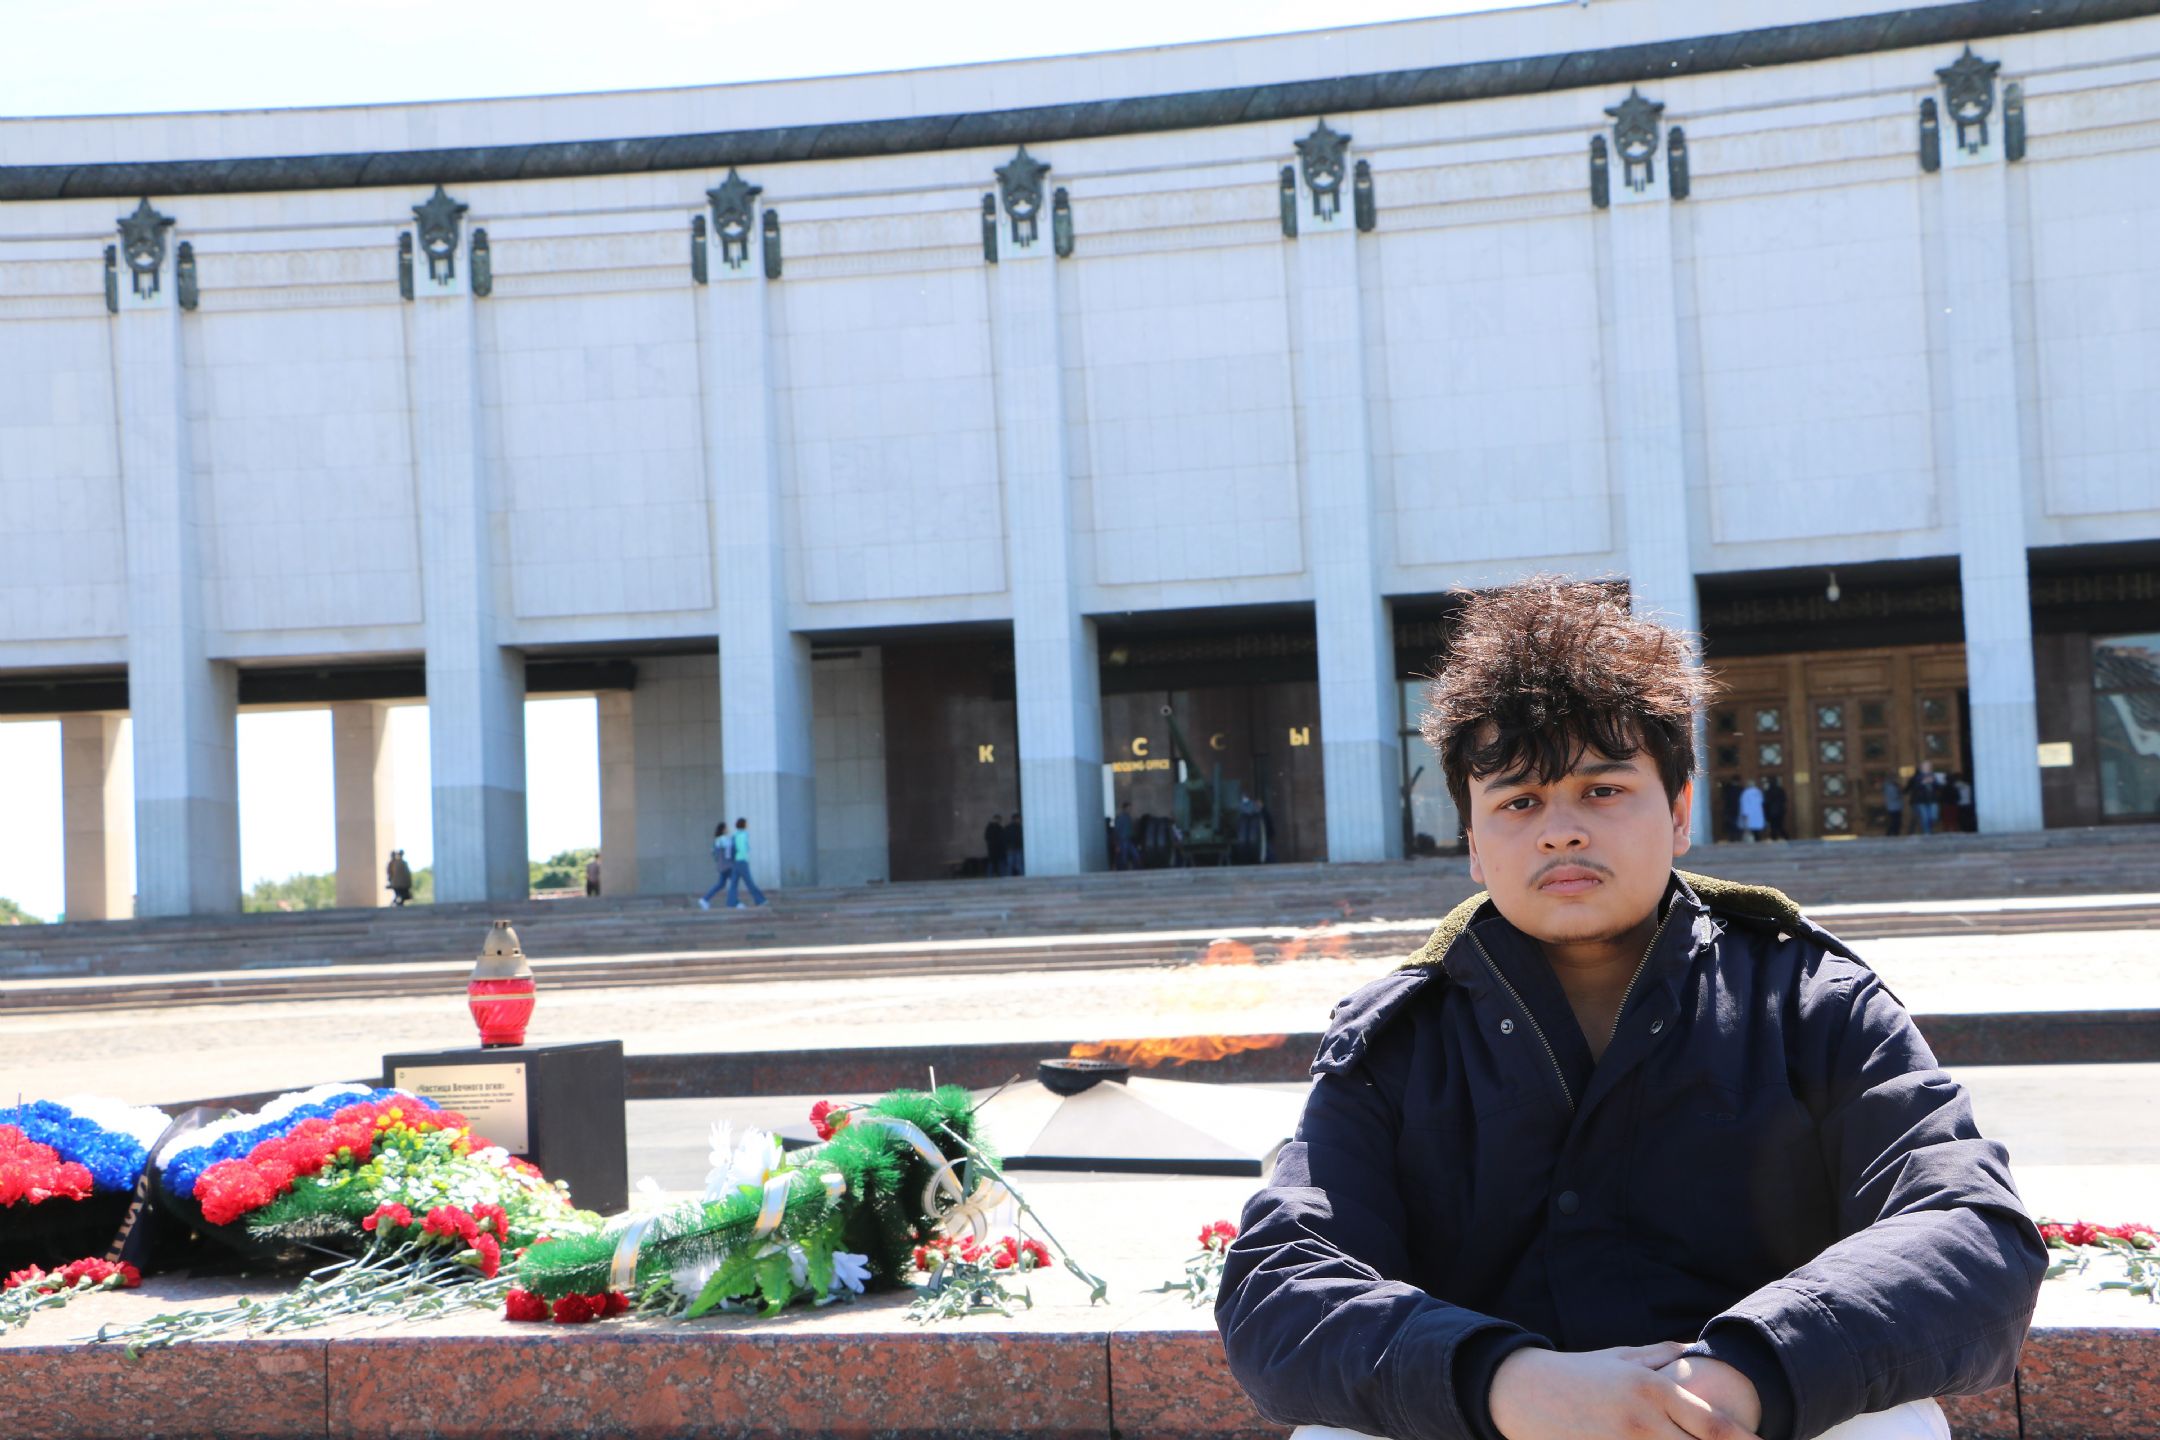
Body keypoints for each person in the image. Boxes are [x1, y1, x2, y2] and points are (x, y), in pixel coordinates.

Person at [1216, 578, 2041, 1440]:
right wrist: (1501, 1382)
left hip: (1743, 1421)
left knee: (1890, 1429)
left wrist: (1746, 1373)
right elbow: (1280, 1285)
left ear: (1679, 812)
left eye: (1602, 790)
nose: (1561, 831)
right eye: (1518, 801)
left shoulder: (1811, 1000)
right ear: (1473, 845)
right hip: (1500, 1427)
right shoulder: (1398, 1041)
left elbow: (1969, 1231)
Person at [724, 817, 768, 908]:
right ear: (743, 824)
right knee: (749, 882)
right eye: (746, 823)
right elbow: (742, 849)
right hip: (742, 861)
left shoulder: (734, 835)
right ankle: (760, 900)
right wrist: (745, 857)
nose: (747, 825)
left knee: (734, 883)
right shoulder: (743, 834)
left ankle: (731, 902)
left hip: (735, 862)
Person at [696, 823, 734, 910]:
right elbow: (729, 853)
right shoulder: (726, 839)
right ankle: (732, 903)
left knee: (721, 884)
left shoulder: (717, 840)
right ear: (723, 830)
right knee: (733, 884)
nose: (728, 829)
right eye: (727, 828)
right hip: (728, 865)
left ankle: (705, 899)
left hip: (721, 866)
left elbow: (714, 854)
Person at [1906, 762, 1941, 836]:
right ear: (1922, 767)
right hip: (1921, 800)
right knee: (1925, 817)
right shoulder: (1917, 777)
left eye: (1928, 766)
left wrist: (1933, 782)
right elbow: (1914, 788)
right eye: (1925, 766)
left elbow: (1938, 787)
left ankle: (1929, 829)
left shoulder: (1933, 776)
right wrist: (1923, 782)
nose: (1927, 767)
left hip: (1932, 799)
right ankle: (1927, 833)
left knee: (1934, 816)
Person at [1736, 776, 1765, 842]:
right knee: (1757, 833)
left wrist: (1744, 814)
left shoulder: (1746, 793)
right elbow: (1761, 802)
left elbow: (1744, 804)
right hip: (1757, 814)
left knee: (1750, 832)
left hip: (1748, 815)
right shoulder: (1758, 792)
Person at [1762, 776, 1789, 841]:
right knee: (1779, 825)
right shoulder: (1780, 790)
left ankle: (1774, 838)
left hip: (1771, 811)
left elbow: (1766, 802)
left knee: (1773, 826)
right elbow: (1784, 799)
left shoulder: (1768, 791)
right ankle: (1786, 838)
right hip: (1780, 810)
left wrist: (1765, 812)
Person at [984, 814, 1008, 878]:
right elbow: (1001, 838)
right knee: (996, 863)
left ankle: (993, 876)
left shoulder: (992, 827)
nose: (998, 821)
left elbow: (987, 838)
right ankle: (1001, 876)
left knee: (994, 863)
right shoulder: (993, 828)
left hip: (995, 849)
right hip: (996, 848)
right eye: (998, 819)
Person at [1003, 811, 1024, 877]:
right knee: (1018, 864)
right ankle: (1022, 876)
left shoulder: (1007, 827)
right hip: (1016, 847)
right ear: (1016, 819)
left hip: (1011, 848)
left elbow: (1004, 838)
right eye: (1019, 819)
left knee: (1010, 864)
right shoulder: (1020, 828)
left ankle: (1009, 877)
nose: (1020, 820)